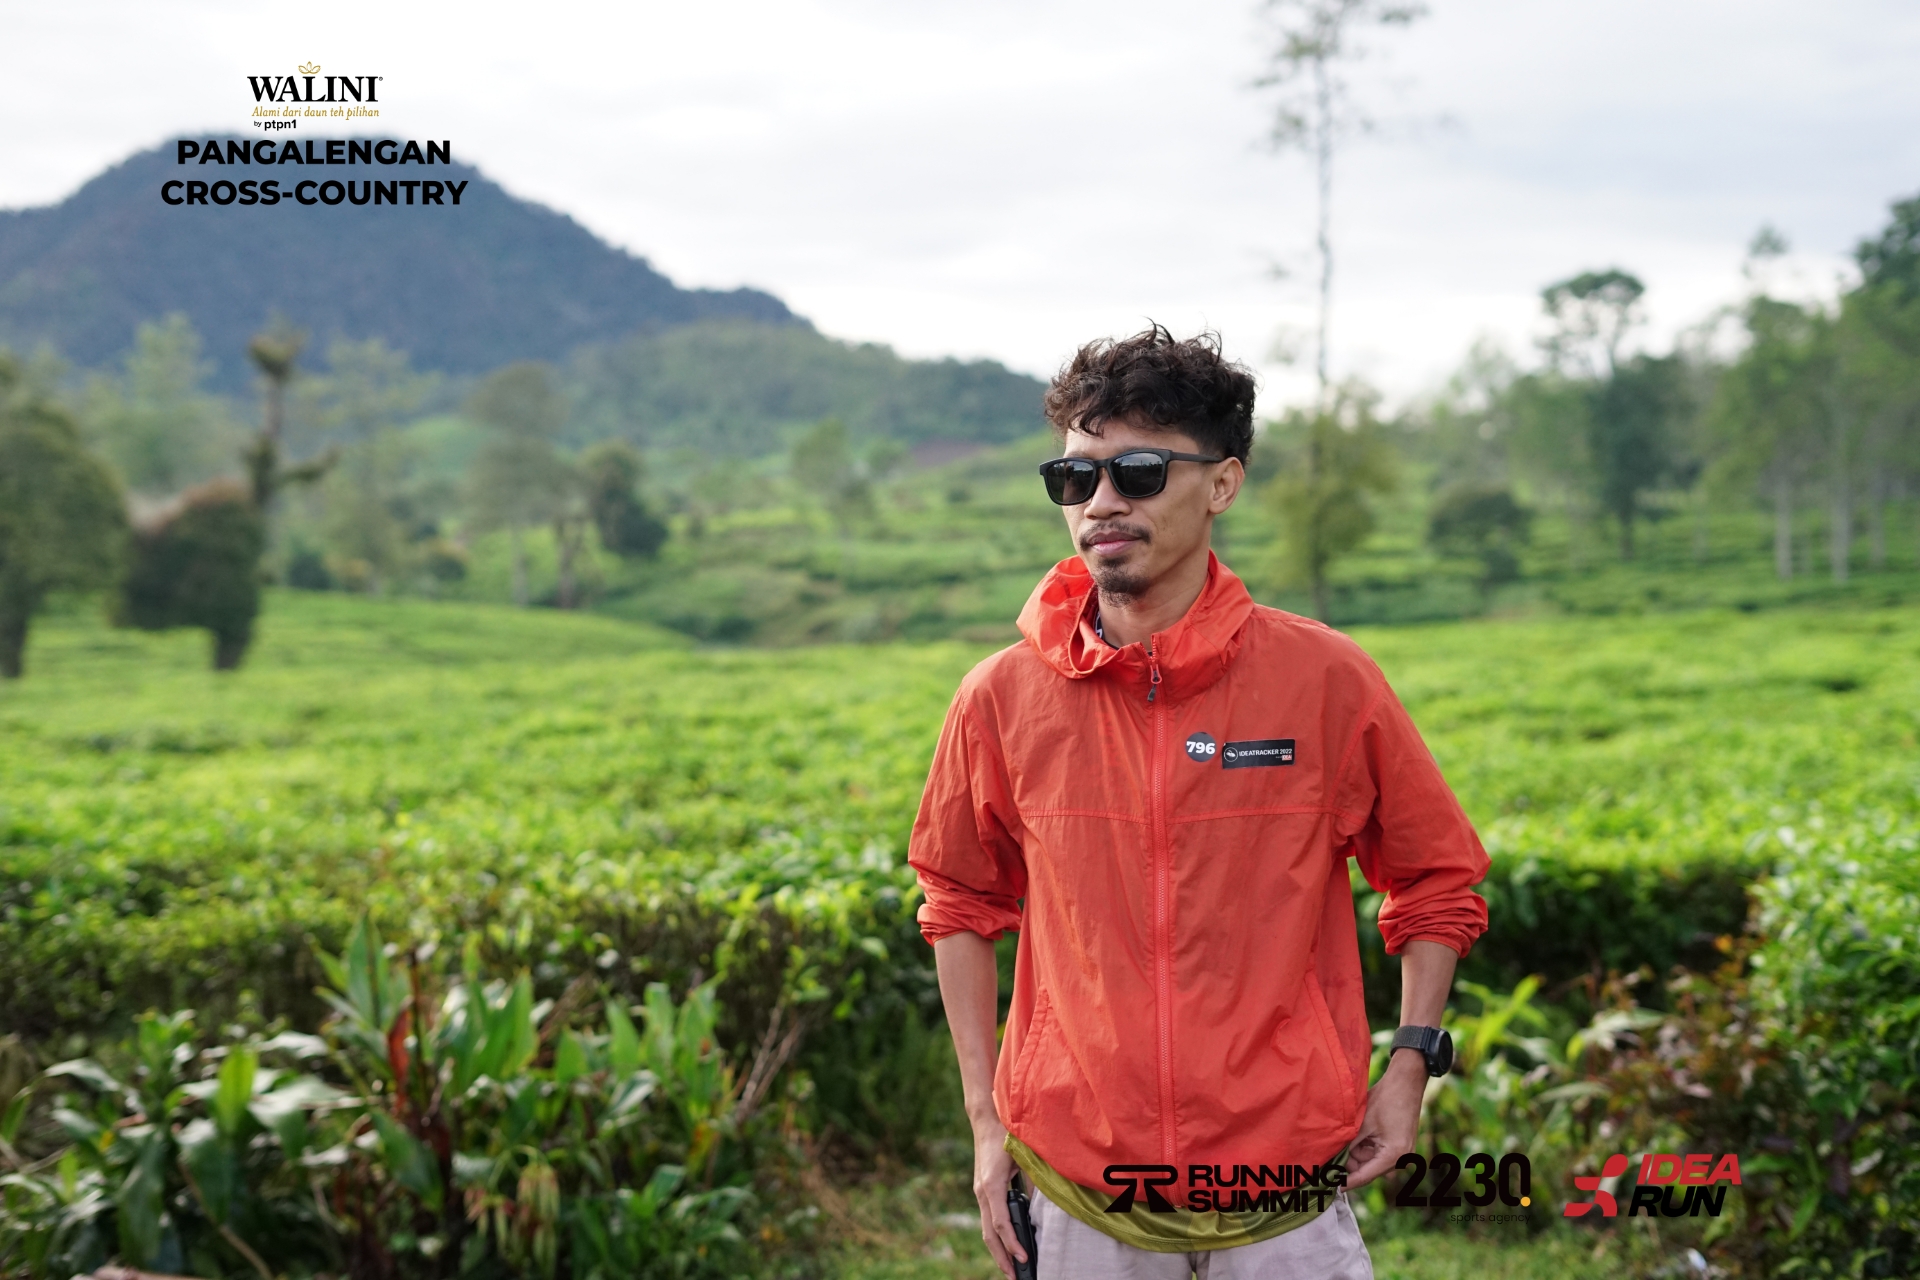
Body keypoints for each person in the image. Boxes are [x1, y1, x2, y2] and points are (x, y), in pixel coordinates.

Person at [908, 326, 1490, 1279]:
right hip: (1080, 1184)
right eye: (1074, 477)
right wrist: (984, 1125)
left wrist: (1410, 1065)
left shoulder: (1325, 680)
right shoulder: (1000, 699)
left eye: (1138, 472)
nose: (1102, 502)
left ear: (1222, 484)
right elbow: (958, 904)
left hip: (1288, 1182)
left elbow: (1436, 881)